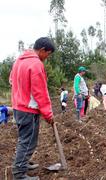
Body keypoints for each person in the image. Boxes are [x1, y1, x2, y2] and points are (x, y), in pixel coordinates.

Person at [9, 37, 55, 180]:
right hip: (28, 109)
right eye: (48, 54)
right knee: (28, 141)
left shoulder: (19, 61)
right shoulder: (36, 64)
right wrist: (48, 114)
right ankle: (19, 174)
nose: (47, 57)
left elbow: (11, 80)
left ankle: (23, 163)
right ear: (42, 50)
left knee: (24, 138)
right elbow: (40, 92)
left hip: (18, 106)